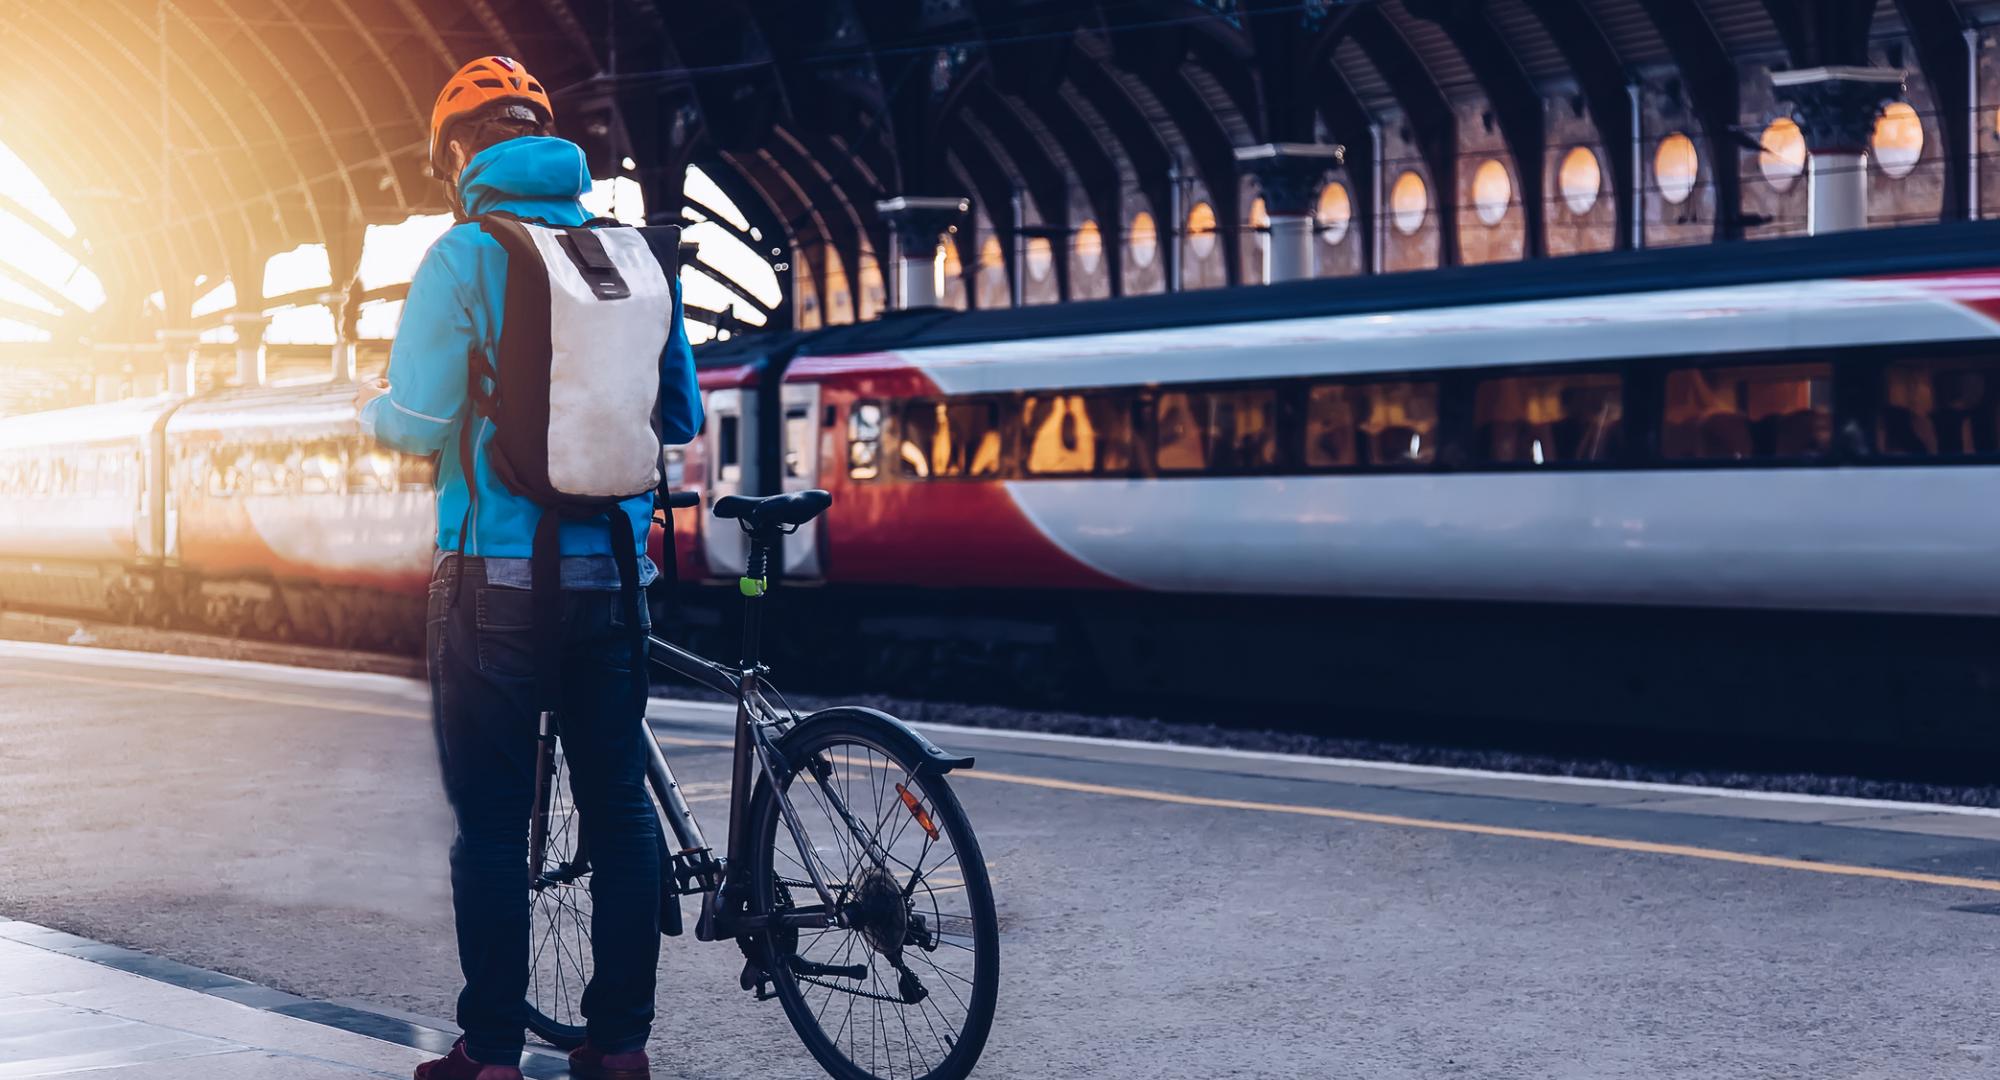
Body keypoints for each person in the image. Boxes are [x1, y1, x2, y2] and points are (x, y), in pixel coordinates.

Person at [358, 55, 701, 1080]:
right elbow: (675, 414)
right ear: (549, 142)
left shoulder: (463, 255)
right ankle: (619, 1047)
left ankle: (494, 1057)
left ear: (459, 155)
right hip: (612, 580)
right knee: (621, 811)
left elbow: (416, 424)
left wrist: (373, 412)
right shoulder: (633, 254)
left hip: (494, 583)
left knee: (496, 830)